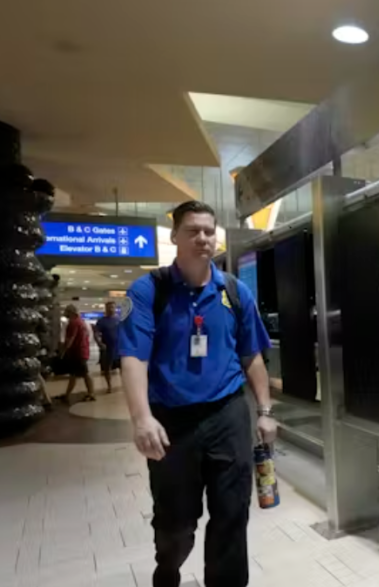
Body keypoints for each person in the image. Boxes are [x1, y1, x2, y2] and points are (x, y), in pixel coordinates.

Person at [119, 200, 277, 587]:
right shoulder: (148, 291)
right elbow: (133, 357)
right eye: (192, 231)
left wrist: (264, 411)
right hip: (172, 421)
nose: (203, 238)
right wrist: (141, 418)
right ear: (175, 236)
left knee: (232, 513)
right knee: (176, 522)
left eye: (209, 231)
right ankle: (168, 567)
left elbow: (251, 356)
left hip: (227, 413)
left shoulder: (234, 291)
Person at [58, 304, 96, 403]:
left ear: (71, 312)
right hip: (82, 350)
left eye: (66, 311)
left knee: (84, 373)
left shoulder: (73, 323)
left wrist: (63, 351)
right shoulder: (82, 322)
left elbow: (71, 338)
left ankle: (91, 393)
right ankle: (67, 394)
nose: (65, 313)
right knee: (74, 374)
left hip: (77, 352)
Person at [93, 300, 121, 392]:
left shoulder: (120, 320)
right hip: (107, 349)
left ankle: (125, 384)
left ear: (115, 308)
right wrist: (99, 343)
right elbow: (96, 333)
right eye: (109, 307)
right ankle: (109, 386)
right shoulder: (101, 321)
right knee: (107, 368)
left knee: (123, 368)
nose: (111, 309)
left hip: (119, 348)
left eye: (112, 307)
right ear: (106, 309)